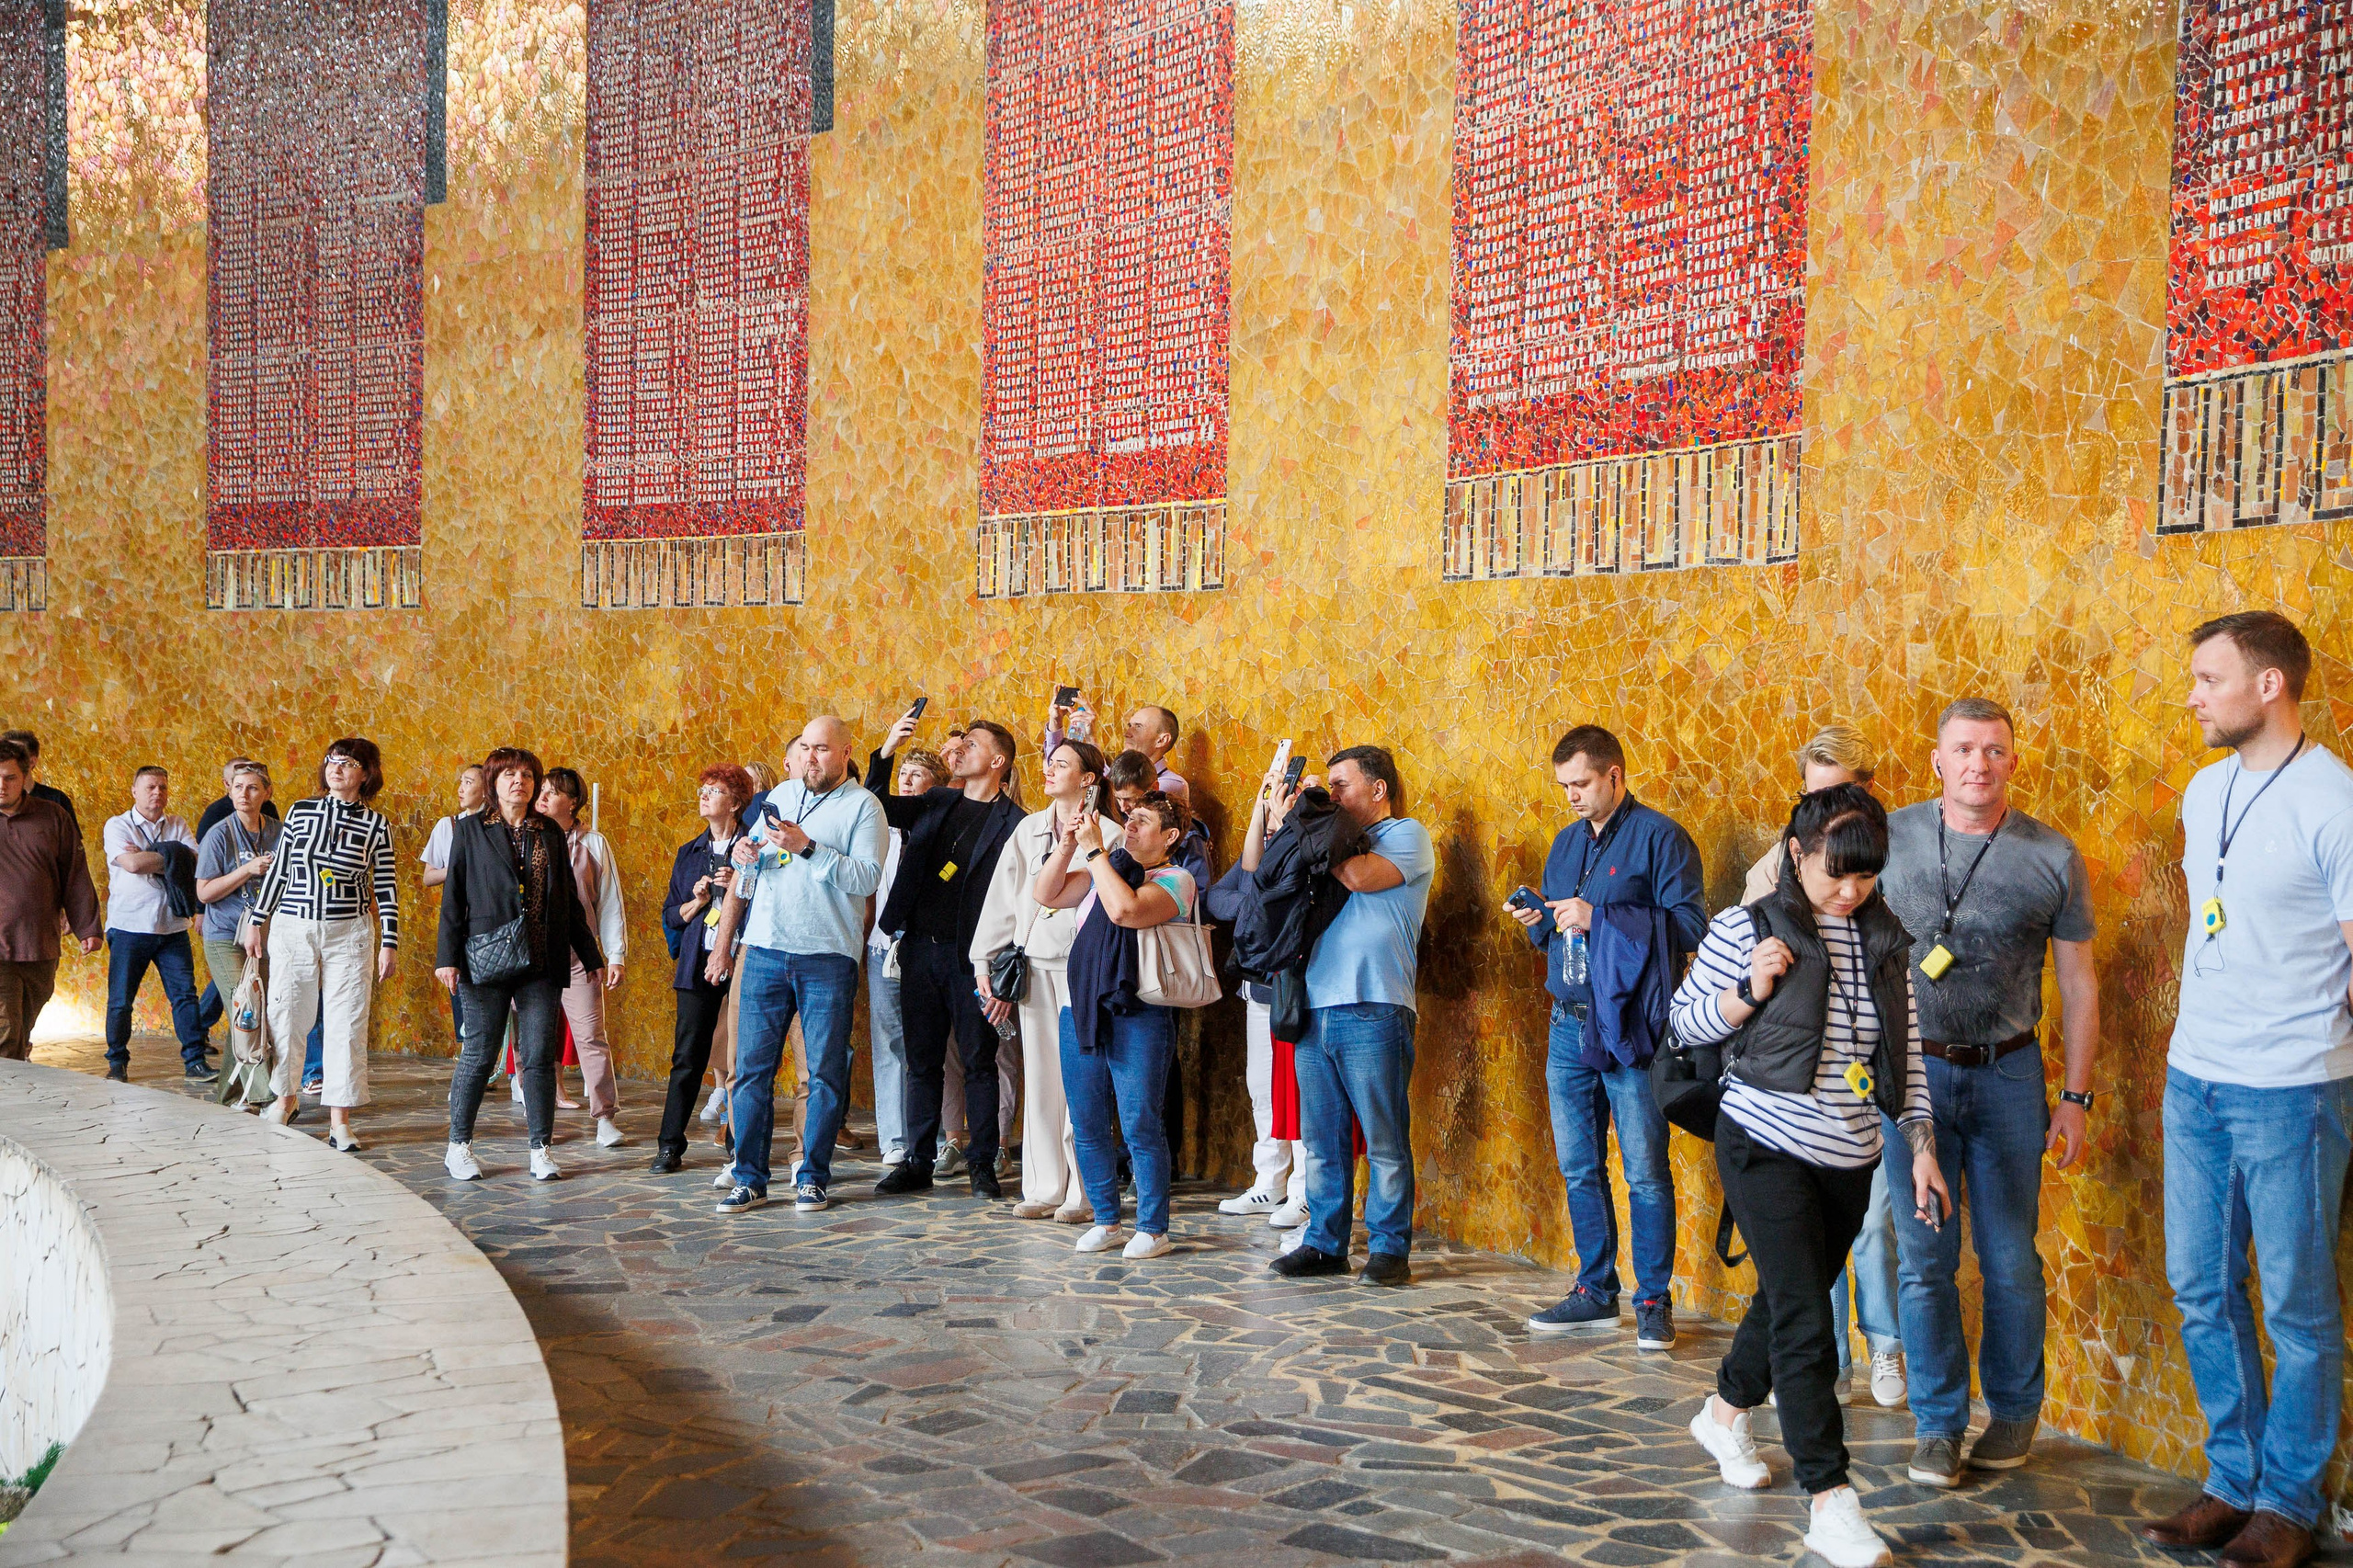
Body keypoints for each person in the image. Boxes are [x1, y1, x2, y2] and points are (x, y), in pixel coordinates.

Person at [1670, 784, 1949, 1568]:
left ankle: (1724, 1413)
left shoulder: (1887, 939)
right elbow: (1682, 1023)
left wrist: (1920, 1145)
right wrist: (1745, 991)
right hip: (1763, 1142)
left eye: (1865, 875)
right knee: (1805, 1317)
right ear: (1797, 854)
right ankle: (1831, 1500)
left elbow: (1907, 1056)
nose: (1850, 890)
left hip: (1851, 1153)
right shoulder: (1746, 925)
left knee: (1783, 1300)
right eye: (1835, 872)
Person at [2140, 612, 2353, 1568]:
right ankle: (2232, 1478)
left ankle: (2288, 1502)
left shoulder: (2334, 799)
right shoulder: (2203, 787)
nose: (2192, 693)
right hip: (2195, 1078)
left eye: (2206, 677)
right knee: (2198, 1286)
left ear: (2268, 685)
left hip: (2294, 1087)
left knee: (2299, 1309)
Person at [1878, 698, 2099, 1486]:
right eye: (1964, 750)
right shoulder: (1891, 838)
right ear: (1937, 760)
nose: (1980, 764)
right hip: (1914, 1078)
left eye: (1995, 750)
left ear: (2014, 760)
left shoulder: (2051, 855)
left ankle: (2011, 1413)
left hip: (2010, 1077)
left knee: (2010, 1258)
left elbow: (2076, 982)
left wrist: (2076, 1097)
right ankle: (1937, 1424)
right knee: (1925, 1258)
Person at [1509, 725, 1705, 1348]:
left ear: (1615, 776)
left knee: (1646, 1169)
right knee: (1578, 1166)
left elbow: (1690, 925)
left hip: (1630, 1026)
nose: (1570, 795)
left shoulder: (1663, 838)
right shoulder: (1565, 844)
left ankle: (1652, 1302)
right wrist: (1537, 917)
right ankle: (1595, 1291)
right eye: (1563, 784)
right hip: (1566, 1023)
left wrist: (1601, 918)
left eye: (1582, 783)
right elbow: (1555, 935)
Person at [1745, 725, 1907, 1406]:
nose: (1825, 812)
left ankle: (1887, 1350)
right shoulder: (1768, 873)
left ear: (1867, 788)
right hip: (1802, 1087)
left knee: (1871, 1223)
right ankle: (1829, 1359)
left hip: (1876, 1069)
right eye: (1813, 797)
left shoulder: (1895, 860)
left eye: (1839, 793)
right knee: (1811, 1235)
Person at [703, 717, 886, 1213]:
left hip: (827, 956)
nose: (811, 757)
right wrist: (748, 854)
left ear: (846, 753)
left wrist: (808, 847)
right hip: (763, 949)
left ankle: (812, 1176)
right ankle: (750, 1177)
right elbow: (762, 862)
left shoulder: (864, 806)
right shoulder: (779, 793)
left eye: (822, 749)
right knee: (750, 1071)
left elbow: (867, 878)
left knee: (824, 1074)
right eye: (805, 747)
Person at [1267, 745, 1433, 1287]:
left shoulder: (1406, 835)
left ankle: (1389, 1249)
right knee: (1322, 1139)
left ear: (1379, 789)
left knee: (1384, 1137)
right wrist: (1288, 824)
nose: (1332, 795)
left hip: (1375, 1003)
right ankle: (1325, 1244)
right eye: (1328, 788)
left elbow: (1360, 877)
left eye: (1342, 785)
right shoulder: (1327, 838)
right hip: (1314, 1005)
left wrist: (1311, 820)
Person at [1030, 789, 1198, 1256]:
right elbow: (1045, 893)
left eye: (1143, 820)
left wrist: (1094, 852)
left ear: (1170, 836)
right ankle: (1107, 1220)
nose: (1131, 825)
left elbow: (1126, 910)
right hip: (1081, 1006)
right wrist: (1067, 845)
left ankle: (1153, 1227)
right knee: (1085, 1121)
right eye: (1130, 817)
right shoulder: (1106, 866)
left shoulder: (1176, 879)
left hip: (1139, 1013)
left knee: (1140, 1121)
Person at [869, 715, 1026, 1198]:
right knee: (922, 1062)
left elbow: (1021, 897)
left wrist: (1003, 966)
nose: (961, 749)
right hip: (918, 949)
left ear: (997, 761)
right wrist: (887, 753)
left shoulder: (1016, 823)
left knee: (980, 1062)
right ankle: (917, 1161)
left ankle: (982, 1164)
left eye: (972, 744)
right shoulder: (937, 801)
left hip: (974, 959)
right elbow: (879, 807)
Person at [437, 747, 607, 1182]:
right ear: (494, 782)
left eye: (528, 775)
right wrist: (447, 959)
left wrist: (590, 955)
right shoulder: (470, 830)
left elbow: (567, 899)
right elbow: (453, 897)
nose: (520, 782)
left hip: (540, 961)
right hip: (483, 959)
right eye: (510, 774)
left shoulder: (548, 830)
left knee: (537, 1057)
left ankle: (541, 1149)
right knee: (479, 1052)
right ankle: (459, 1146)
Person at [974, 737, 1119, 1220]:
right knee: (1039, 1076)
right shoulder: (1029, 830)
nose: (1050, 770)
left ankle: (1083, 1191)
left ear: (1089, 778)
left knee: (1081, 1080)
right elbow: (1001, 899)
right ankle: (1042, 1186)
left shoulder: (1112, 835)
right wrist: (983, 963)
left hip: (1084, 971)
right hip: (1033, 965)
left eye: (1063, 764)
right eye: (1049, 763)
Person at [243, 739, 400, 1151]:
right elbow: (279, 870)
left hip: (350, 932)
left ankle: (340, 1120)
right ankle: (284, 1099)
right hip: (294, 926)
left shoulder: (376, 825)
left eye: (348, 763)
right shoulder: (299, 811)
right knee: (288, 1015)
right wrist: (257, 920)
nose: (336, 768)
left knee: (347, 1022)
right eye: (332, 760)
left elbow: (385, 885)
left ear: (365, 773)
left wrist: (390, 942)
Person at [1210, 760, 1307, 1220]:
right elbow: (1218, 898)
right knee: (1262, 1089)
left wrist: (1254, 903)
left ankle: (1305, 1191)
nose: (1273, 806)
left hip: (1292, 992)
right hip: (1256, 991)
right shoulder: (1265, 847)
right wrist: (1258, 815)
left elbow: (1275, 905)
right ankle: (1268, 1181)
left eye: (1281, 797)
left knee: (1299, 1093)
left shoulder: (1306, 847)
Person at [651, 764, 753, 1173]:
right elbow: (671, 916)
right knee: (687, 1056)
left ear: (737, 803)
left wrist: (736, 887)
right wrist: (697, 900)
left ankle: (738, 1145)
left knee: (741, 1059)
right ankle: (669, 1145)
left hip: (745, 960)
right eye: (702, 789)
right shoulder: (688, 852)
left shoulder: (753, 845)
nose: (704, 795)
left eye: (714, 790)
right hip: (696, 964)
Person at [101, 766, 212, 1083]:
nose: (157, 793)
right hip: (129, 926)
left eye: (163, 787)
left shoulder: (177, 823)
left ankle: (195, 1060)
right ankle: (117, 1063)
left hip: (172, 926)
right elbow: (132, 864)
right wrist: (172, 856)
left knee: (185, 997)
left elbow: (195, 862)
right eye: (150, 787)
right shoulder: (117, 825)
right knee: (121, 1000)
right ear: (134, 791)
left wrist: (157, 855)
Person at [539, 767, 629, 1147]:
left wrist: (616, 954)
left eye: (553, 791)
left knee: (591, 1035)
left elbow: (609, 902)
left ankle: (605, 1117)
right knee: (534, 1037)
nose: (542, 796)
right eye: (540, 789)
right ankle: (537, 1116)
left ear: (572, 802)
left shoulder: (593, 842)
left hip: (579, 954)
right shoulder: (526, 836)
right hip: (532, 955)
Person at [868, 747, 949, 1167]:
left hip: (921, 945)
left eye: (917, 775)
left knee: (923, 1044)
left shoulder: (934, 828)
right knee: (888, 1042)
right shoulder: (882, 830)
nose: (907, 781)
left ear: (935, 785)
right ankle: (894, 1138)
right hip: (883, 944)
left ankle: (928, 1134)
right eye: (904, 773)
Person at [0, 736, 101, 1061]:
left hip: (40, 943)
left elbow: (74, 872)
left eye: (10, 777)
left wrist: (88, 926)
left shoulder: (53, 816)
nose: (1, 785)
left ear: (26, 775)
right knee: (4, 1029)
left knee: (22, 1027)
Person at [193, 762, 281, 1108]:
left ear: (267, 792)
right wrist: (246, 870)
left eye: (253, 788)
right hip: (224, 935)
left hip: (266, 934)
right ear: (229, 791)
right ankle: (267, 1095)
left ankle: (231, 1093)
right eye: (239, 787)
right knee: (247, 1007)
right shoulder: (219, 834)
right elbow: (204, 892)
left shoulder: (279, 831)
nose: (245, 795)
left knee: (251, 1012)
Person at [420, 765, 488, 1051]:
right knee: (460, 984)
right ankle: (469, 1051)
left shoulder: (499, 827)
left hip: (492, 918)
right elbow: (428, 876)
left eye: (469, 782)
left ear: (487, 789)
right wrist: (458, 868)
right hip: (461, 918)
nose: (461, 788)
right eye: (461, 781)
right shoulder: (448, 825)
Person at [2, 730, 76, 825]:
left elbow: (71, 839)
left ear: (32, 761)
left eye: (17, 755)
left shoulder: (57, 799)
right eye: (5, 755)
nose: (9, 760)